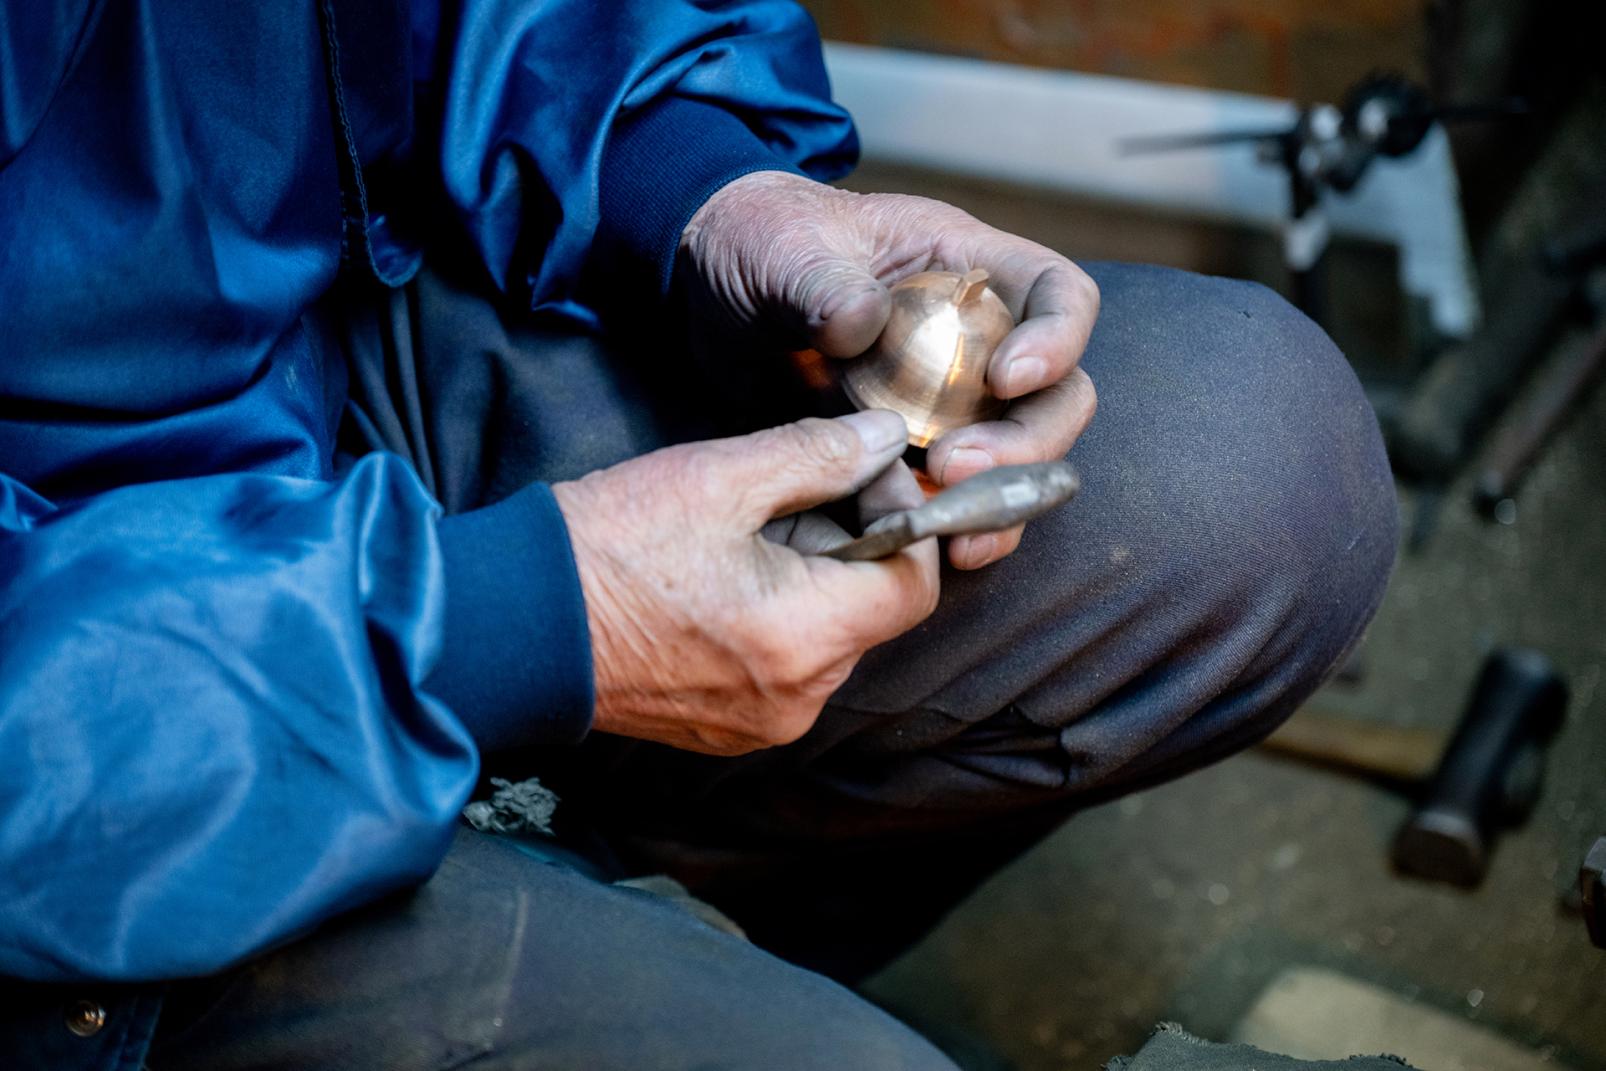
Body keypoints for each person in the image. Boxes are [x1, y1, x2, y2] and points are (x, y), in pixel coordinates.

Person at [0, 2, 1397, 1068]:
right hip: (77, 752)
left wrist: (699, 185)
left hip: (293, 370)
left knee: (1244, 460)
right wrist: (486, 629)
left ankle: (634, 906)